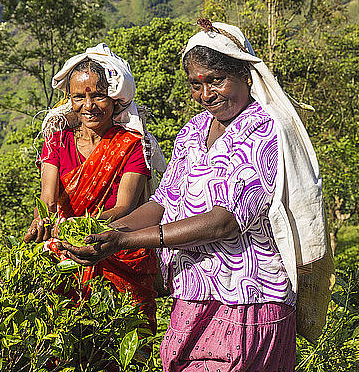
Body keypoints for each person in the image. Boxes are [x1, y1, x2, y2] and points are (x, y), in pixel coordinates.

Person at [57, 21, 328, 372]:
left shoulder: (266, 128)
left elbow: (223, 221)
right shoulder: (193, 131)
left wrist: (123, 240)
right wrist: (93, 232)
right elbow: (162, 203)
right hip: (193, 294)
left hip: (250, 298)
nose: (206, 94)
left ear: (245, 75)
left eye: (216, 80)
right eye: (196, 84)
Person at [24, 43, 166, 330]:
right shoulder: (58, 142)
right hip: (66, 253)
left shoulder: (132, 146)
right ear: (70, 99)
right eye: (79, 97)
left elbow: (124, 206)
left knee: (124, 341)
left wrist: (79, 226)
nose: (88, 106)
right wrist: (41, 221)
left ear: (115, 100)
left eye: (99, 95)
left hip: (118, 251)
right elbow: (48, 198)